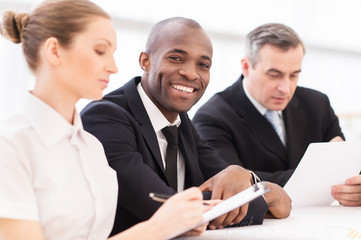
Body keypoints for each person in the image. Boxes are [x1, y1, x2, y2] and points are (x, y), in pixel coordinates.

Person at [0, 1, 214, 239]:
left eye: (112, 54)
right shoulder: (9, 147)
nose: (113, 67)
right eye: (100, 51)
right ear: (54, 51)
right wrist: (158, 228)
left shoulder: (91, 147)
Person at [81, 17, 292, 236]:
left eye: (203, 65)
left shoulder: (179, 122)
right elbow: (165, 210)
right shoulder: (105, 117)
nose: (191, 73)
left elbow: (226, 183)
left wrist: (245, 178)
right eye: (176, 58)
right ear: (146, 61)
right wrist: (267, 196)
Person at [192, 23, 346, 187]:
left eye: (294, 75)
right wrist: (322, 173)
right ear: (246, 67)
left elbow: (346, 168)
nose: (285, 89)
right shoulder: (212, 118)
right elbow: (232, 184)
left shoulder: (317, 104)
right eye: (274, 75)